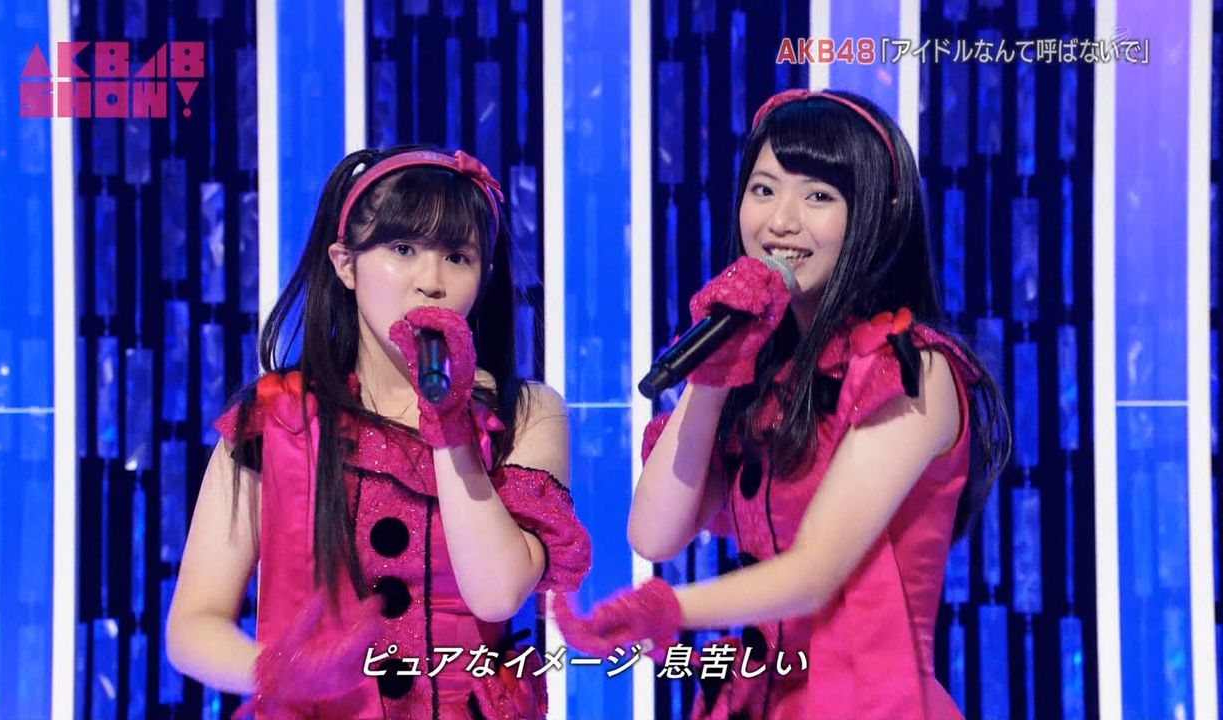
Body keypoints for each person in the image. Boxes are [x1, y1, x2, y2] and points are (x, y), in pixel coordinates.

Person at [555, 89, 1011, 719]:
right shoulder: (764, 375)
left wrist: (668, 608)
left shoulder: (912, 370)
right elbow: (654, 533)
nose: (780, 222)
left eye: (818, 196)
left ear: (876, 215)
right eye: (764, 190)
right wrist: (713, 374)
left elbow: (816, 571)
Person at [165, 145, 591, 719]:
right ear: (345, 264)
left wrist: (449, 424)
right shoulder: (275, 420)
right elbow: (193, 625)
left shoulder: (525, 413)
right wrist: (279, 672)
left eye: (457, 257)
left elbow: (497, 591)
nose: (431, 281)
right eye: (403, 249)